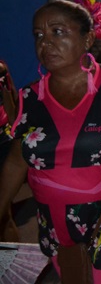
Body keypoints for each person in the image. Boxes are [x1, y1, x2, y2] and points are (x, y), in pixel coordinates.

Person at [0, 0, 101, 283]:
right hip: (56, 226)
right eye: (38, 35)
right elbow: (16, 161)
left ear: (87, 39)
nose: (46, 42)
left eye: (58, 31)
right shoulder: (29, 98)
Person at [0, 60, 19, 243]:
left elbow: (10, 106)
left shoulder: (0, 69)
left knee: (3, 214)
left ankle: (10, 258)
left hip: (2, 142)